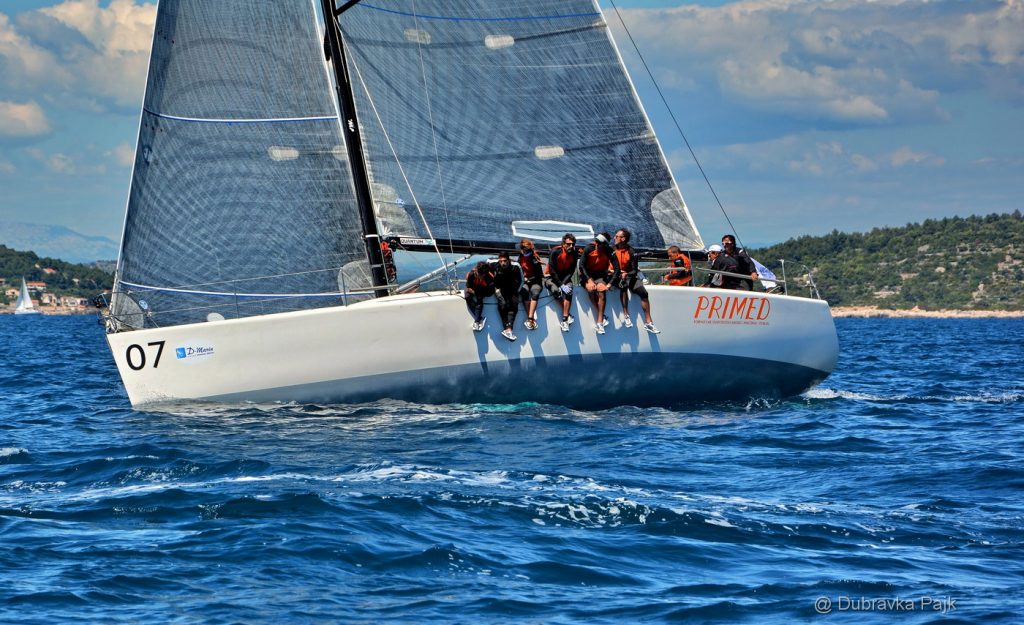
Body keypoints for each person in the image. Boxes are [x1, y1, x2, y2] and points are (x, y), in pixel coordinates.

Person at [612, 229, 660, 333]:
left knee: (644, 293)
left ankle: (649, 322)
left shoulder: (631, 251)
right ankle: (626, 315)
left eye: (616, 236)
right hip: (615, 276)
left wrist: (626, 274)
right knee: (623, 286)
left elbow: (634, 270)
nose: (614, 238)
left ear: (623, 239)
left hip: (629, 276)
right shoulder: (612, 250)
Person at [579, 233, 620, 334]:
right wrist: (589, 280)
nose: (596, 244)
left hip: (600, 276)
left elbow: (617, 269)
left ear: (605, 245)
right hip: (587, 276)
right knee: (591, 289)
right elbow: (581, 266)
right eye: (596, 242)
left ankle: (600, 322)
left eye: (599, 244)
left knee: (602, 292)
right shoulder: (589, 248)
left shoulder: (610, 251)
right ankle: (602, 316)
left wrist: (609, 284)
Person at [544, 233, 580, 332]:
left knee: (569, 291)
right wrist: (560, 285)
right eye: (568, 244)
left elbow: (571, 271)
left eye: (573, 244)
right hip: (551, 277)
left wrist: (563, 284)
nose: (571, 246)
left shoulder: (574, 253)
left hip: (565, 278)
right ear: (563, 244)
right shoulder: (555, 251)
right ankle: (568, 314)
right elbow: (552, 271)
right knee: (555, 291)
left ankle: (564, 320)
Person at [493, 251, 522, 341]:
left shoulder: (515, 266)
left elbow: (522, 280)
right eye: (501, 261)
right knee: (502, 304)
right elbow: (484, 267)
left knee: (514, 305)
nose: (503, 263)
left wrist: (517, 291)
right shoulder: (494, 264)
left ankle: (509, 329)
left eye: (505, 261)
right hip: (499, 289)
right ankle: (507, 328)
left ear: (509, 260)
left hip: (512, 289)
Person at [516, 239, 544, 330]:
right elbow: (518, 268)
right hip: (524, 281)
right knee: (524, 292)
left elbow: (539, 275)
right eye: (522, 250)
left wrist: (528, 279)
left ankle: (530, 318)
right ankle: (530, 317)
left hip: (535, 281)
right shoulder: (521, 256)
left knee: (535, 293)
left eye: (525, 250)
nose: (524, 252)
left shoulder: (534, 259)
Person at [464, 261, 495, 330]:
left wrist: (477, 293)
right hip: (474, 287)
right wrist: (472, 291)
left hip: (486, 289)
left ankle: (477, 321)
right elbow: (468, 286)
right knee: (467, 297)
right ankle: (480, 318)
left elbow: (490, 292)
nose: (477, 275)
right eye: (477, 273)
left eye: (480, 275)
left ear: (484, 274)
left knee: (479, 298)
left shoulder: (490, 279)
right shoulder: (472, 274)